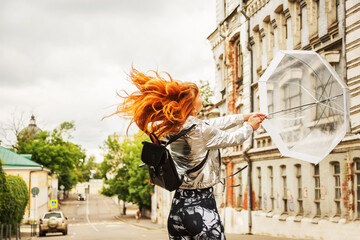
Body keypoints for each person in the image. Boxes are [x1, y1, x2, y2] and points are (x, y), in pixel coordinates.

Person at [111, 68, 266, 240]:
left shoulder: (170, 127)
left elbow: (212, 123)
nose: (201, 98)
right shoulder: (200, 130)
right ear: (192, 105)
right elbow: (233, 139)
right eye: (199, 96)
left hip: (177, 208)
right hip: (201, 209)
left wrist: (244, 117)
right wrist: (250, 126)